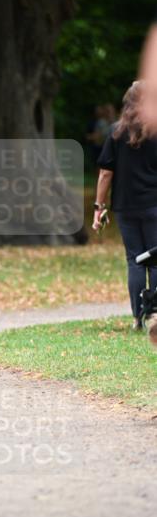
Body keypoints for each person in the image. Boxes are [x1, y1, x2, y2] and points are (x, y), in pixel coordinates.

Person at [93, 80, 157, 330]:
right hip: (154, 205)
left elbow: (105, 173)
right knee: (155, 259)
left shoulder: (116, 132)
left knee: (135, 261)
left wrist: (99, 207)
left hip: (125, 206)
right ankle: (156, 315)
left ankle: (137, 317)